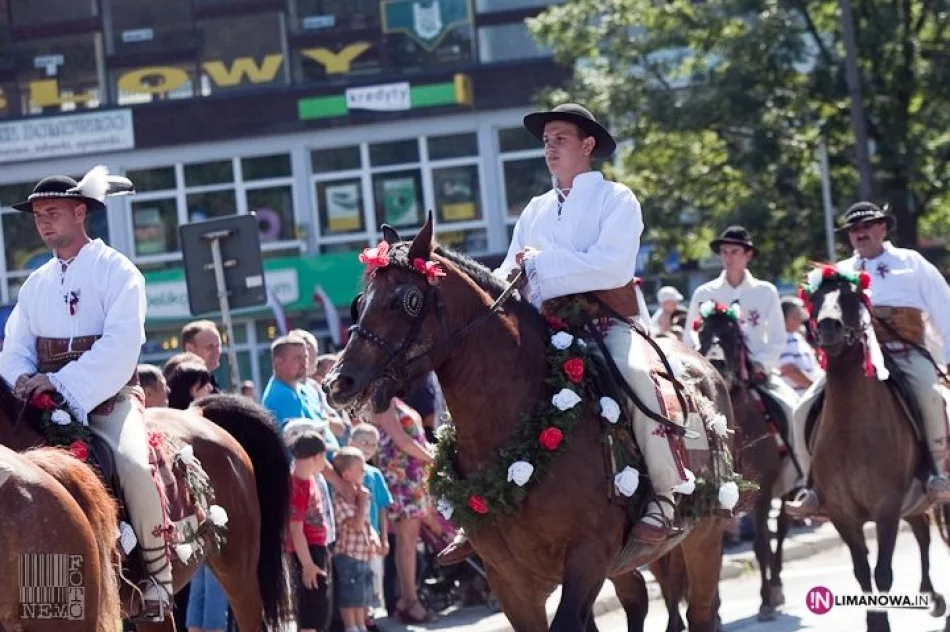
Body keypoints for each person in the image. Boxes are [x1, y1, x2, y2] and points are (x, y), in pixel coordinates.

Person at [440, 102, 686, 567]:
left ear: (587, 145)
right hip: (542, 329)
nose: (549, 148)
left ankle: (664, 497)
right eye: (546, 141)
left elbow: (612, 265)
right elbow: (507, 273)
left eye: (560, 139)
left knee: (638, 378)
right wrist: (516, 274)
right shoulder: (534, 210)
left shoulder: (618, 199)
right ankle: (476, 511)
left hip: (606, 324)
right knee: (480, 390)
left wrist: (541, 264)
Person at [0, 166, 172, 617]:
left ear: (81, 212)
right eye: (37, 215)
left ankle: (155, 579)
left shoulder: (119, 271)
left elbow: (121, 346)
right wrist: (22, 379)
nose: (43, 222)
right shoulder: (35, 284)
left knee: (133, 466)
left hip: (107, 398)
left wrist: (59, 383)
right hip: (40, 401)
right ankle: (48, 589)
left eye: (52, 212)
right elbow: (15, 345)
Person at [786, 202, 950, 516]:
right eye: (853, 230)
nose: (860, 233)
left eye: (867, 226)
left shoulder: (911, 262)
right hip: (854, 360)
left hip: (905, 353)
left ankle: (935, 473)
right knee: (801, 410)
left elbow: (945, 308)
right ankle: (812, 485)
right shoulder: (841, 273)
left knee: (931, 398)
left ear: (883, 228)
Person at [369, 399, 435, 622]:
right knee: (407, 543)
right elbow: (402, 440)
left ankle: (407, 599)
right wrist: (434, 458)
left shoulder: (394, 401)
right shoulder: (383, 404)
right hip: (402, 478)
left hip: (411, 477)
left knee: (408, 543)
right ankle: (411, 601)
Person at [287, 429, 332, 632]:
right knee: (311, 612)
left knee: (317, 608)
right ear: (317, 457)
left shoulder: (309, 479)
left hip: (315, 549)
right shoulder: (297, 485)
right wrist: (307, 565)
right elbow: (295, 529)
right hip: (307, 553)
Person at [348, 424, 393, 624]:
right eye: (364, 442)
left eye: (373, 445)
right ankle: (360, 618)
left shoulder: (374, 474)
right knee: (355, 577)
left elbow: (383, 507)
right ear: (351, 442)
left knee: (373, 577)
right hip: (351, 538)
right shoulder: (344, 472)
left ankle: (369, 615)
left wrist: (384, 538)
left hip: (372, 536)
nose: (368, 448)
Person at [331, 447, 379, 632]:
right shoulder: (341, 499)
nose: (364, 472)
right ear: (346, 474)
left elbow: (366, 525)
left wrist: (374, 538)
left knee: (361, 596)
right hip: (347, 556)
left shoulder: (360, 495)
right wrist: (363, 502)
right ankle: (351, 626)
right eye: (360, 469)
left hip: (362, 555)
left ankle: (360, 625)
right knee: (349, 595)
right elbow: (357, 524)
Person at [778, 296, 823, 396]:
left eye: (800, 314)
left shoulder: (797, 336)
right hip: (800, 397)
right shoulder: (781, 339)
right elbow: (789, 369)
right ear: (783, 318)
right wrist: (814, 388)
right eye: (795, 315)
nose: (800, 318)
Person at [182, 320, 222, 386]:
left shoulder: (210, 381)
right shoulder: (185, 384)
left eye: (218, 345)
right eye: (210, 347)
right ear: (190, 349)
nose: (217, 351)